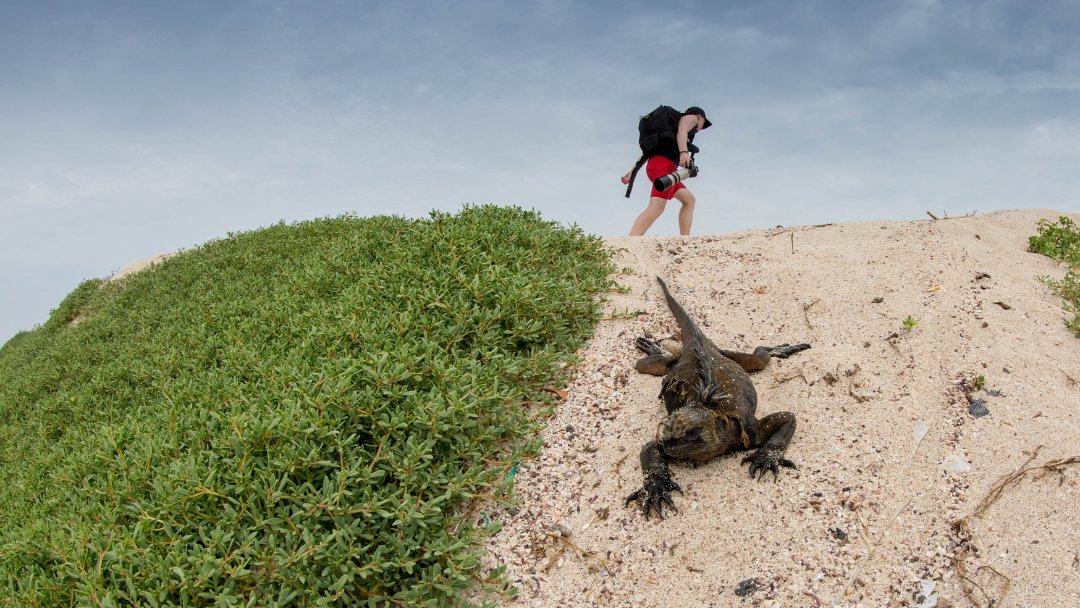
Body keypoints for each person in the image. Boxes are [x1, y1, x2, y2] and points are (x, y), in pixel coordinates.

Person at [623, 106, 712, 236]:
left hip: (663, 168)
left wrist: (631, 172)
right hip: (663, 167)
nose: (701, 128)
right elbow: (682, 129)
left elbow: (649, 152)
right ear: (700, 117)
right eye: (703, 124)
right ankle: (631, 240)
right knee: (656, 207)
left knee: (689, 200)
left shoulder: (668, 132)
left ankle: (685, 239)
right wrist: (683, 152)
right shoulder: (692, 118)